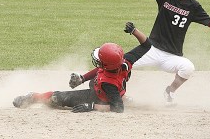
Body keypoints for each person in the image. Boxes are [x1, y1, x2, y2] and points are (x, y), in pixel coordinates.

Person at [13, 25, 151, 113]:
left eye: (101, 60)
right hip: (113, 87)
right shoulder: (124, 60)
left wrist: (92, 106)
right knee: (102, 80)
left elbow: (118, 108)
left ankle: (33, 97)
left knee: (56, 99)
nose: (98, 61)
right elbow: (147, 45)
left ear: (106, 65)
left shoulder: (108, 83)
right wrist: (134, 31)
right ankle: (122, 96)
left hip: (99, 96)